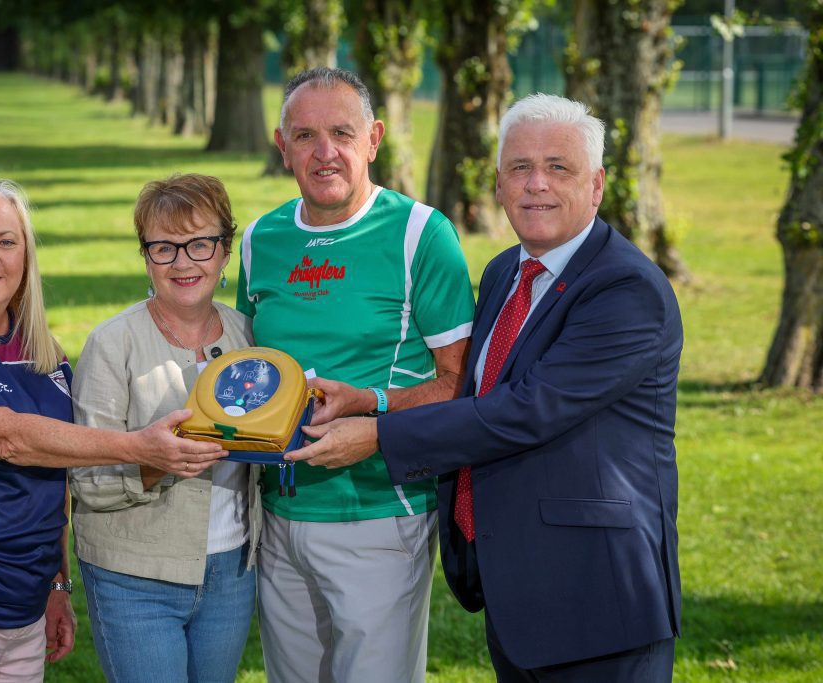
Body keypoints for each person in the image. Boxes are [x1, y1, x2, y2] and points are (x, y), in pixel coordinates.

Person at [289, 93, 683, 681]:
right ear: (498, 184)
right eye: (520, 168)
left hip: (599, 599)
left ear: (597, 185)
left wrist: (378, 436)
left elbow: (526, 410)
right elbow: (471, 394)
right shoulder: (505, 270)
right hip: (518, 588)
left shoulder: (626, 290)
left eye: (559, 168)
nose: (536, 185)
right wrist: (371, 399)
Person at [0, 180, 225, 683]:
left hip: (20, 608)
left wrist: (57, 585)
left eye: (7, 242)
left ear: (26, 256)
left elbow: (54, 472)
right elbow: (4, 438)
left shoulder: (38, 346)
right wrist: (138, 446)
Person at [236, 67, 476, 682]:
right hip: (279, 515)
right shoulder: (261, 238)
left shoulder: (421, 234)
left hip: (380, 512)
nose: (325, 152)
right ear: (280, 144)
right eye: (305, 135)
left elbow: (460, 383)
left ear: (373, 139)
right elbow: (247, 371)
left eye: (341, 133)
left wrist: (371, 404)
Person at [69, 173, 261, 683]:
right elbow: (87, 481)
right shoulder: (112, 344)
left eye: (199, 244)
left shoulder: (250, 338)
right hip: (133, 575)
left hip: (232, 571)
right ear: (145, 256)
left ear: (224, 253)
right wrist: (157, 463)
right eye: (163, 248)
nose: (182, 262)